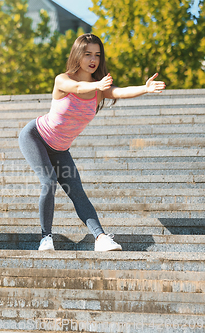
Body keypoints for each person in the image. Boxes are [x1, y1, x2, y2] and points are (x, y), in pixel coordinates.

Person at [18, 33, 166, 252]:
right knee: (48, 181)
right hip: (36, 137)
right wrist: (97, 86)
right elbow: (77, 88)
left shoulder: (99, 90)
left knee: (77, 192)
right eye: (87, 54)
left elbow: (121, 92)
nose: (92, 59)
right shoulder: (63, 80)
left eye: (97, 54)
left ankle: (101, 238)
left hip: (60, 149)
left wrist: (145, 88)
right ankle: (46, 238)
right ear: (78, 55)